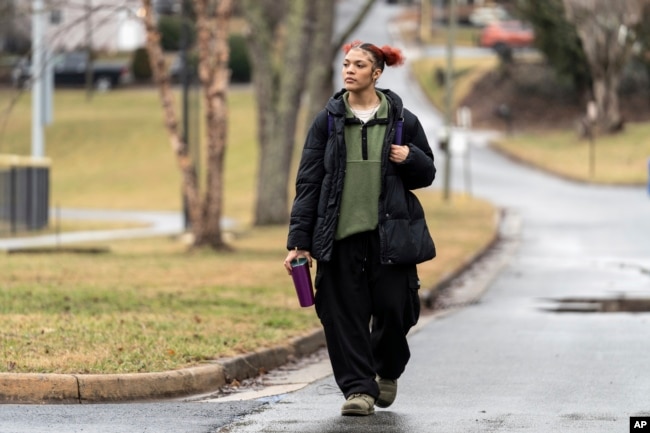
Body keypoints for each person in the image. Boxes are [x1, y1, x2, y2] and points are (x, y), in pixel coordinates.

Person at [283, 40, 436, 416]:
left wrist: (409, 157)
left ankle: (386, 370)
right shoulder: (328, 121)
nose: (349, 70)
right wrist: (299, 243)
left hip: (390, 235)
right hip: (339, 236)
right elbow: (309, 184)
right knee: (341, 314)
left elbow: (427, 173)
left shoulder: (403, 121)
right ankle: (358, 390)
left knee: (395, 309)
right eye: (347, 64)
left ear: (377, 73)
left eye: (359, 65)